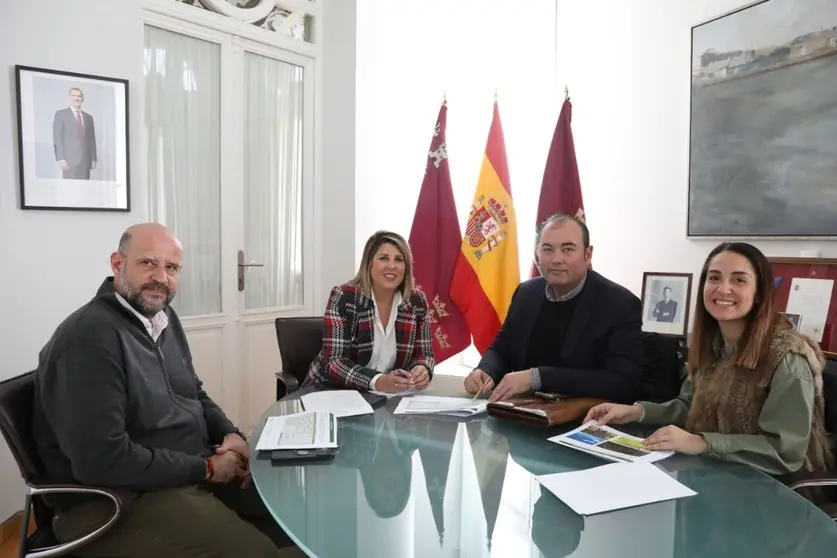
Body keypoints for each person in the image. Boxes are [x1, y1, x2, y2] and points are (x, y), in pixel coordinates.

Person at [32, 223, 303, 558]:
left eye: (171, 267)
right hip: (113, 500)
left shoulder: (161, 317)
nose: (161, 276)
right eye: (148, 263)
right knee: (259, 553)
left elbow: (193, 393)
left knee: (299, 509)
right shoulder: (88, 339)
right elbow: (101, 461)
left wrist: (230, 434)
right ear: (118, 264)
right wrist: (205, 468)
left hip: (177, 471)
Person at [584, 242, 834, 477]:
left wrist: (701, 442)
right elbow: (690, 406)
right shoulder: (713, 346)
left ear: (759, 293)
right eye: (714, 278)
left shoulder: (788, 358)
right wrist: (636, 412)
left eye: (739, 280)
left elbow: (784, 450)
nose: (723, 288)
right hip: (717, 473)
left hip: (774, 493)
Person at [463, 212, 644, 403]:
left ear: (588, 254)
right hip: (523, 412)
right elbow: (502, 349)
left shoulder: (619, 303)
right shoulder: (526, 293)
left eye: (567, 249)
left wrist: (538, 377)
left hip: (584, 419)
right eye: (547, 249)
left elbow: (623, 382)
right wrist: (486, 370)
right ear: (537, 252)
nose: (556, 259)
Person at [304, 230, 434, 393]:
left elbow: (425, 354)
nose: (392, 266)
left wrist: (422, 368)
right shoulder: (345, 297)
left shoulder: (416, 301)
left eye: (399, 260)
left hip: (386, 398)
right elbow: (335, 363)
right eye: (383, 258)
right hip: (332, 390)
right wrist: (378, 381)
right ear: (369, 263)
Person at [53, 87, 97, 180]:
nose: (76, 98)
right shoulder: (61, 114)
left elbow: (91, 139)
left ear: (82, 99)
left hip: (85, 161)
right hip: (69, 161)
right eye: (74, 95)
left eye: (79, 96)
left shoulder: (89, 118)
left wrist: (93, 158)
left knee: (85, 189)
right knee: (70, 189)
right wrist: (61, 158)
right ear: (69, 98)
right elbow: (57, 138)